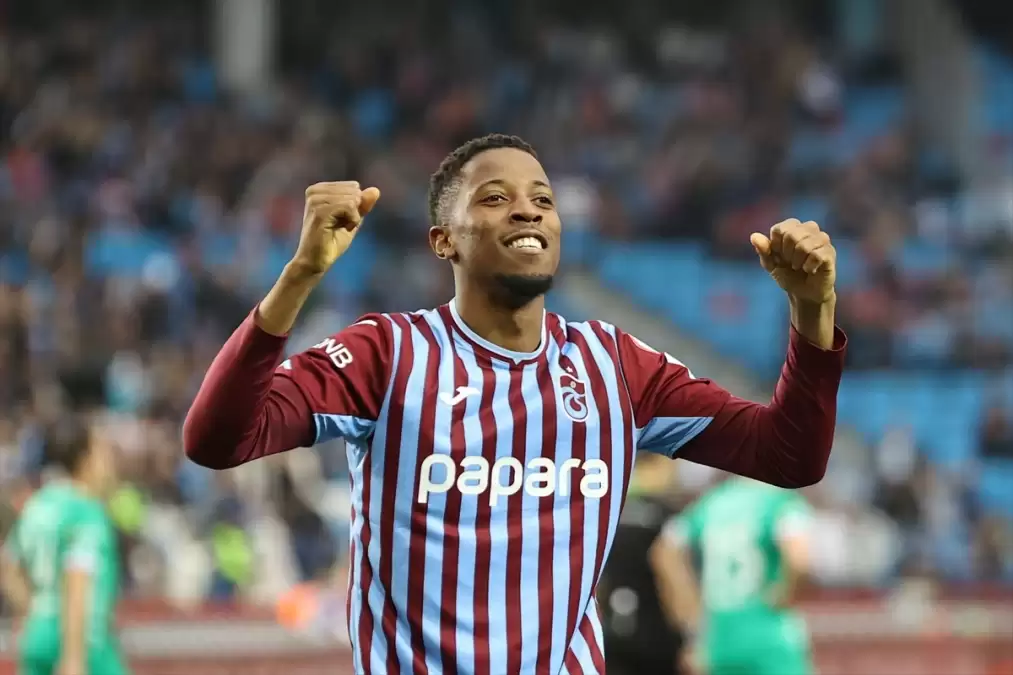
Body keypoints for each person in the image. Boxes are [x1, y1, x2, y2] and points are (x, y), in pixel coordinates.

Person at [183, 133, 846, 674]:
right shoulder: (387, 355)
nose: (528, 211)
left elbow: (787, 456)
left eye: (543, 199)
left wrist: (811, 311)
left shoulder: (615, 366)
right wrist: (300, 275)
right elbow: (217, 439)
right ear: (443, 240)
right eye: (496, 197)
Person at [652, 476, 815, 675]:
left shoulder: (709, 504)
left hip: (718, 638)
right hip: (770, 635)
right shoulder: (780, 501)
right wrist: (783, 594)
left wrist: (688, 610)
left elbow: (664, 551)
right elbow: (799, 561)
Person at [1, 418, 126, 675]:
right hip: (84, 643)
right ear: (84, 459)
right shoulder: (85, 512)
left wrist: (34, 614)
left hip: (38, 635)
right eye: (102, 451)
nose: (110, 462)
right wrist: (73, 660)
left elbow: (9, 567)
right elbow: (77, 578)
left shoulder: (37, 506)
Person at [596, 452, 691, 675]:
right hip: (658, 637)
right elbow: (673, 575)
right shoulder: (667, 517)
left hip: (612, 634)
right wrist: (691, 634)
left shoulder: (608, 512)